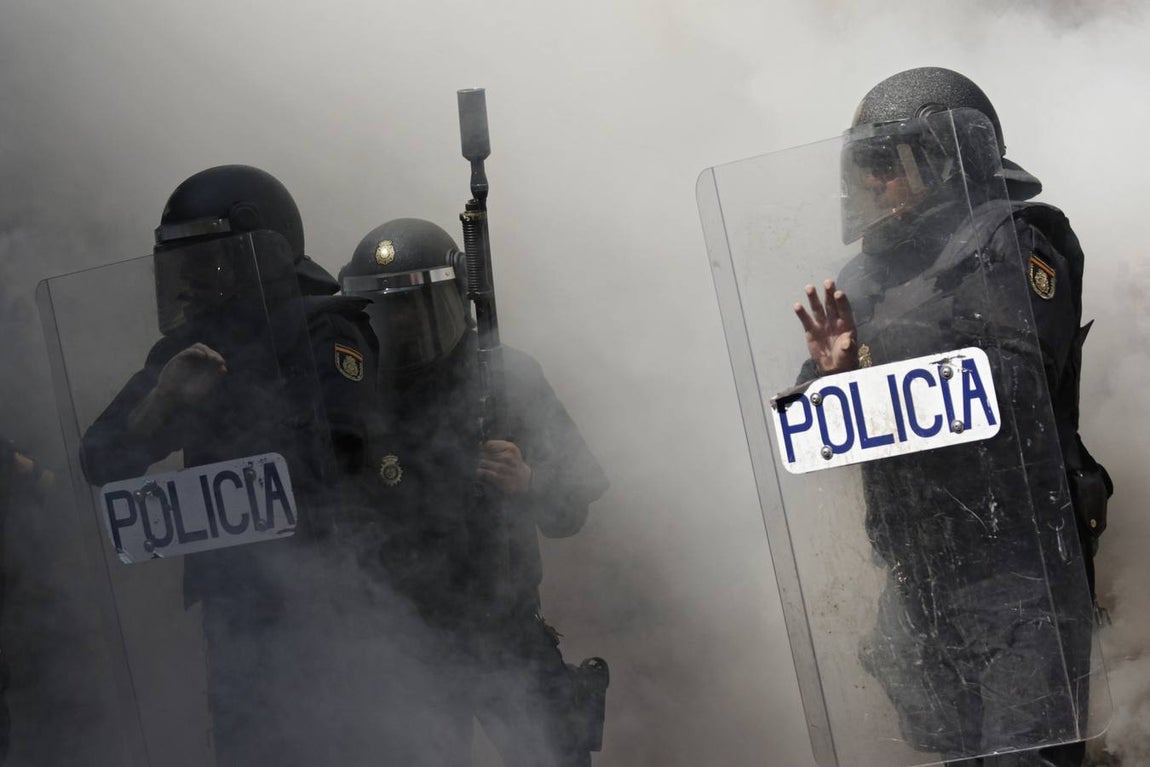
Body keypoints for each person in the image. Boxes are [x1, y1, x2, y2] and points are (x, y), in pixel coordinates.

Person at [792, 68, 1110, 767]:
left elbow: (1013, 392)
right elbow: (810, 436)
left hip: (1016, 578)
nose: (870, 183)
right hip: (917, 578)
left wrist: (880, 365)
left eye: (887, 163)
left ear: (947, 157)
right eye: (864, 166)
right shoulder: (863, 278)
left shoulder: (1009, 243)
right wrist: (831, 376)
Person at [79, 165, 380, 765]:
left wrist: (241, 403)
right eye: (184, 263)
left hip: (328, 599)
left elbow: (345, 457)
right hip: (237, 603)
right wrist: (163, 403)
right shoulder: (185, 350)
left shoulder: (325, 329)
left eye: (208, 258)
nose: (193, 278)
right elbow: (100, 458)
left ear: (258, 250)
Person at [338, 217, 610, 766]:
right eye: (387, 314)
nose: (405, 327)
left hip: (504, 627)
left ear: (456, 299)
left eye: (418, 309)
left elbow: (572, 509)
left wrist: (528, 482)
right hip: (404, 642)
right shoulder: (356, 392)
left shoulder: (507, 377)